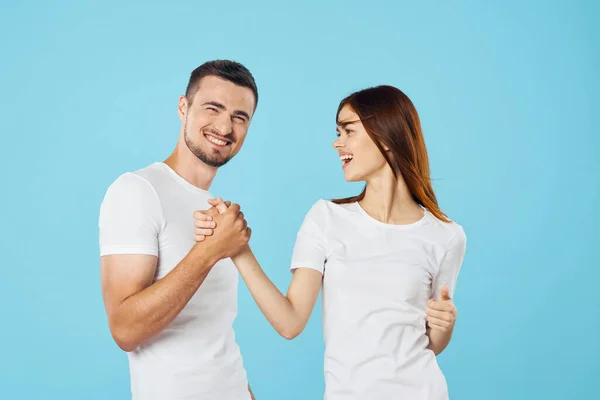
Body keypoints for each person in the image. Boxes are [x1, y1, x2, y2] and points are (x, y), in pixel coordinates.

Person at [195, 85, 467, 400]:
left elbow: (429, 343)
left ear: (386, 135)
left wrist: (444, 327)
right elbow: (290, 322)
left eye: (348, 131)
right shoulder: (326, 218)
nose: (338, 143)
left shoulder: (446, 235)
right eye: (338, 132)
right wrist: (238, 250)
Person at [98, 60, 258, 400]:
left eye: (239, 117)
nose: (224, 126)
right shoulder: (138, 190)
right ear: (183, 107)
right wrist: (210, 251)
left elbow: (216, 339)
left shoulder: (217, 209)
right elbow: (125, 329)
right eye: (212, 108)